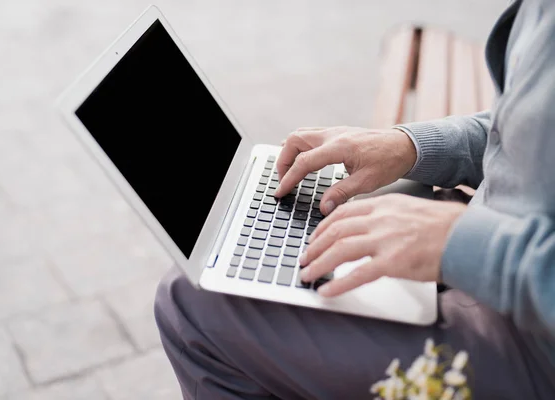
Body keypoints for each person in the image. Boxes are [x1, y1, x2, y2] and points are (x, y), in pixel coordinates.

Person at [155, 1, 555, 398]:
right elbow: (518, 131)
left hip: (528, 345)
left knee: (192, 305)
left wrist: (462, 242)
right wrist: (410, 146)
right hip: (495, 248)